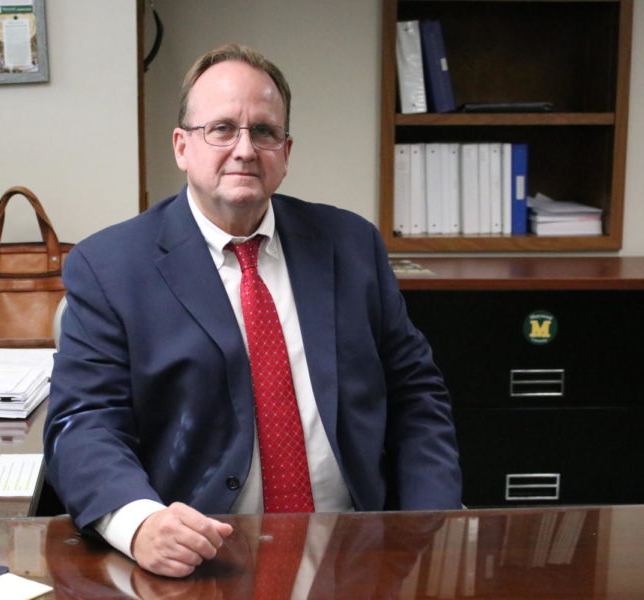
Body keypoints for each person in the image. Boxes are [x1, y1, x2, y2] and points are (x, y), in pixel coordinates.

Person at [44, 43, 461, 578]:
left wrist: (428, 521)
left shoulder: (351, 244)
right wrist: (139, 523)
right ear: (181, 146)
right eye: (221, 128)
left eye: (263, 131)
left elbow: (416, 394)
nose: (244, 149)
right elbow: (83, 423)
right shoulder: (109, 267)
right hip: (199, 558)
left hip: (355, 552)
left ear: (285, 152)